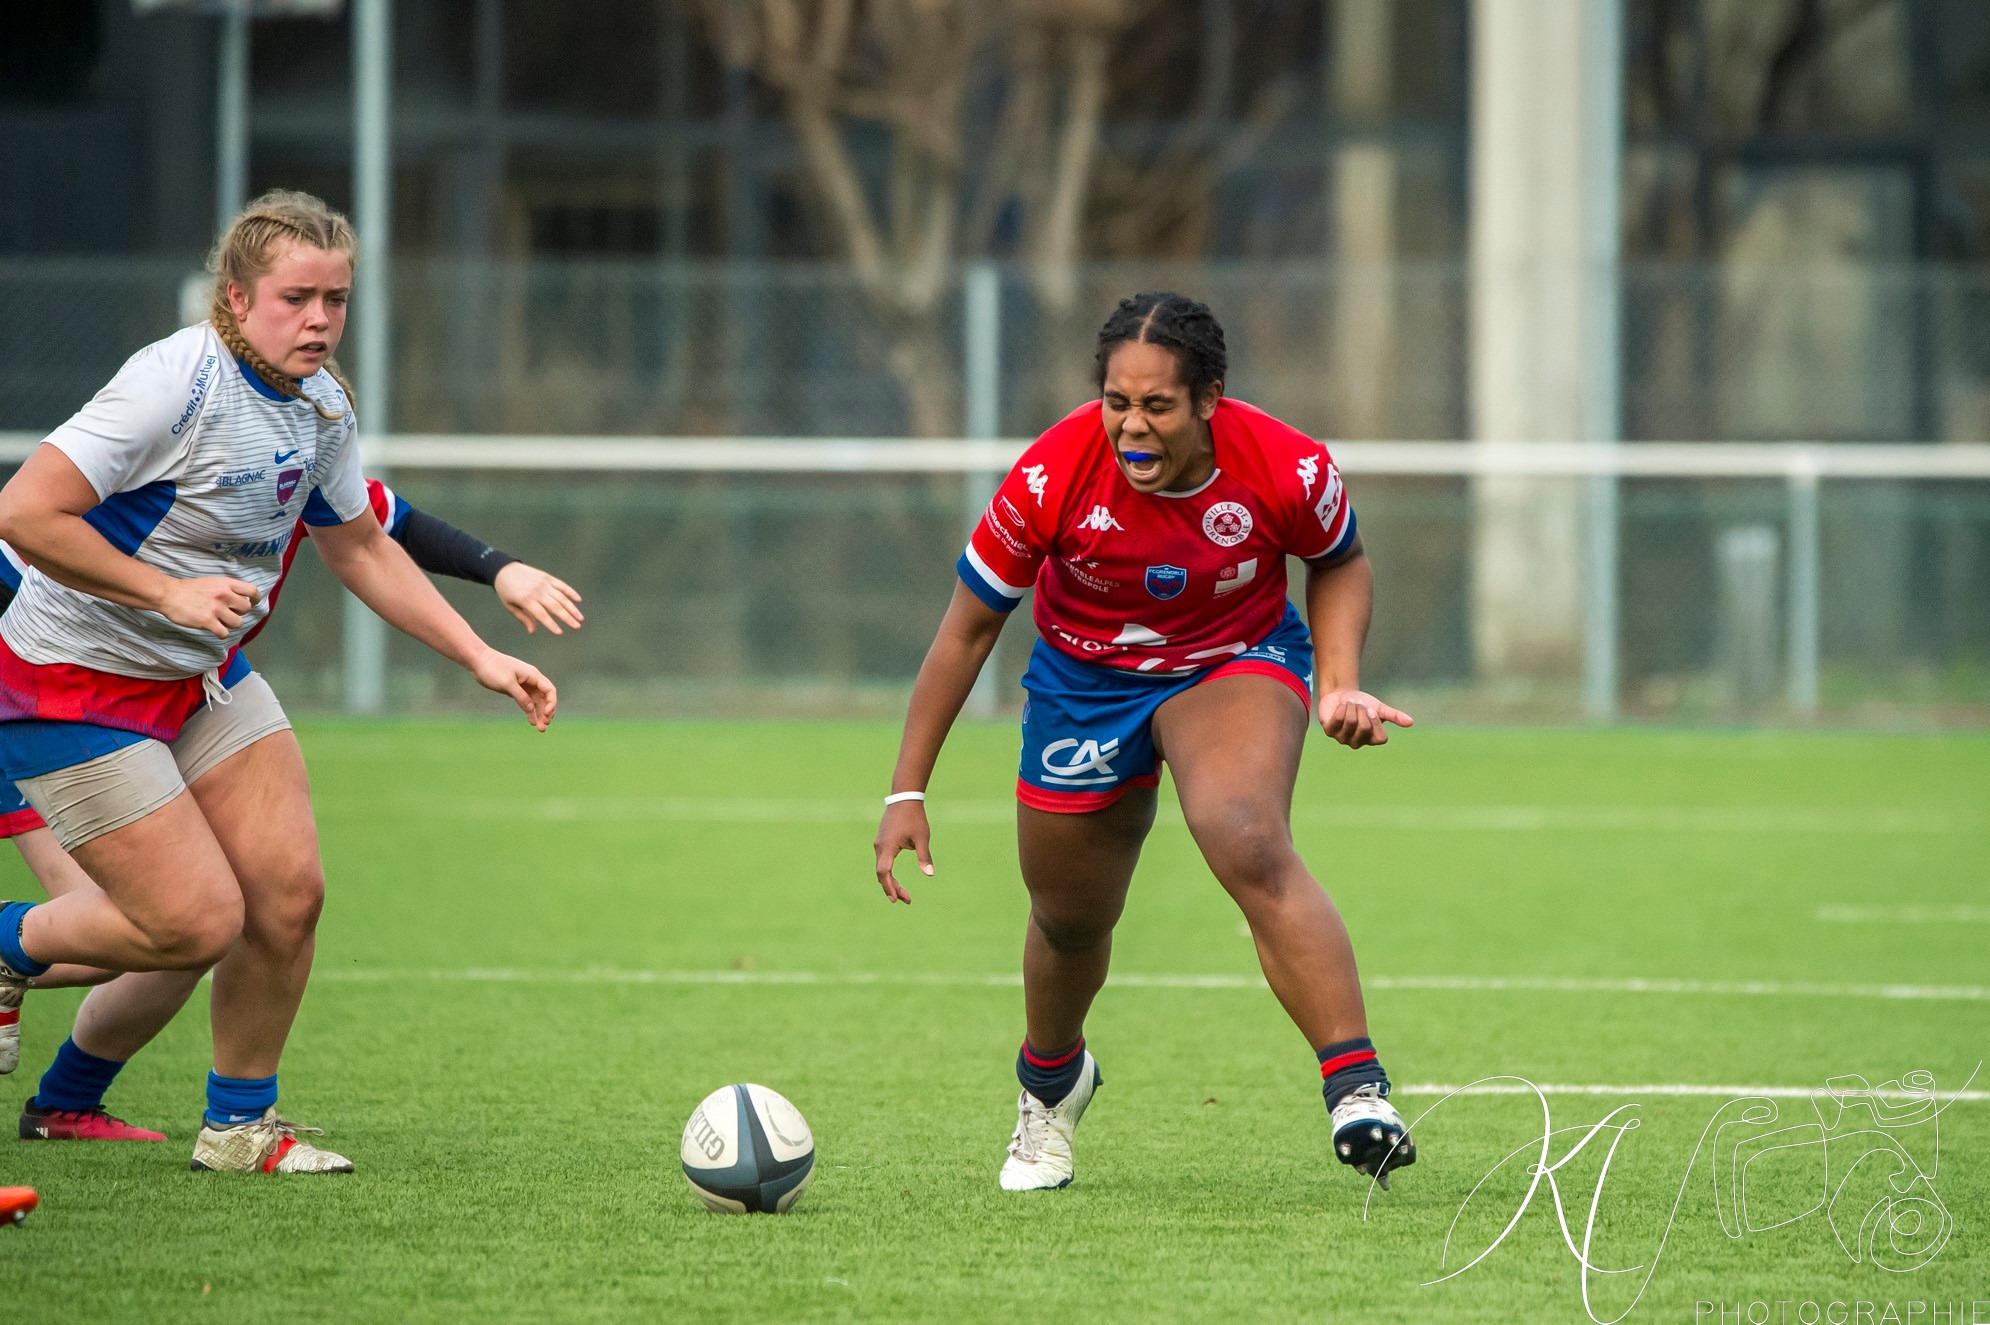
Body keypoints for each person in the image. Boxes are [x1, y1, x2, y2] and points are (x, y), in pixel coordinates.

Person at [0, 188, 555, 1175]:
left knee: (288, 894)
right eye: (297, 298)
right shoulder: (173, 384)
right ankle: (12, 946)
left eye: (336, 299)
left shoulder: (322, 402)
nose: (320, 320)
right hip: (70, 679)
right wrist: (165, 592)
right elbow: (25, 512)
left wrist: (477, 653)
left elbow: (364, 547)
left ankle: (238, 1128)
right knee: (193, 923)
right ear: (236, 297)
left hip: (201, 677)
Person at [872, 292, 1418, 1192]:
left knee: (1247, 834)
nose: (1132, 426)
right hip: (1085, 682)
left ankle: (1357, 1090)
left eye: (1157, 405)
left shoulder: (1287, 465)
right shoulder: (1049, 476)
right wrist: (907, 789)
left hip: (1232, 659)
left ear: (1208, 399)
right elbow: (966, 631)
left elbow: (1339, 561)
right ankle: (1052, 1089)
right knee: (1069, 916)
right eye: (1116, 402)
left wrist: (1339, 681)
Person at [4, 477, 582, 1143]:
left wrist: (500, 569)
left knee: (208, 918)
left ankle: (71, 1104)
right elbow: (28, 537)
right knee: (143, 930)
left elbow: (388, 528)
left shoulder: (302, 451)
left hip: (170, 692)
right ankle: (15, 959)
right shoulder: (169, 450)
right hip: (48, 701)